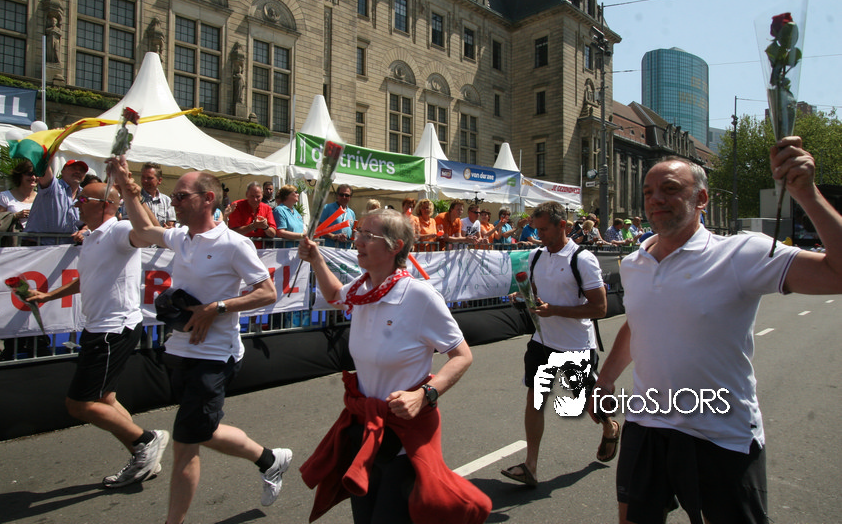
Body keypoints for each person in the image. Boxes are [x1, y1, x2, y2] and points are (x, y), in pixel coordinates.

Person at [591, 140, 842, 524]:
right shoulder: (634, 263)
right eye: (648, 192)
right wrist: (605, 380)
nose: (656, 199)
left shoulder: (742, 254)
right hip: (648, 422)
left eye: (670, 189)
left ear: (702, 199)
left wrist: (806, 194)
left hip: (721, 432)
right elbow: (639, 322)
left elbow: (836, 273)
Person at [107, 157, 292, 524]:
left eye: (181, 196)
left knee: (185, 444)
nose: (174, 201)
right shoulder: (181, 237)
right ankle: (270, 459)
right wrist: (127, 185)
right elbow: (143, 228)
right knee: (202, 431)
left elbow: (267, 292)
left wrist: (217, 308)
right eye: (173, 196)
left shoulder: (234, 244)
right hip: (180, 350)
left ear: (207, 199)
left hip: (215, 356)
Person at [298, 209, 491, 524]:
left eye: (368, 235)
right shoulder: (362, 289)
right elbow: (334, 294)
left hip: (404, 440)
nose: (357, 240)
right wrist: (316, 259)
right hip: (366, 431)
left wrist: (424, 395)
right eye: (359, 232)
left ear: (395, 246)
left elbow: (462, 355)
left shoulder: (419, 296)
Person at [27, 182, 169, 488]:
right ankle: (144, 456)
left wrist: (131, 192)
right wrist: (47, 295)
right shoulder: (91, 237)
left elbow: (147, 234)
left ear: (104, 204)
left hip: (113, 329)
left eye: (83, 199)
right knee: (105, 399)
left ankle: (147, 440)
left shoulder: (119, 229)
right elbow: (85, 279)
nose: (76, 203)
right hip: (99, 328)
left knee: (79, 404)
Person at [500, 201, 614, 487]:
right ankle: (531, 466)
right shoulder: (536, 256)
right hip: (542, 341)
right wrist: (524, 297)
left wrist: (555, 310)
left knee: (589, 404)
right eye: (536, 229)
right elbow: (536, 290)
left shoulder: (583, 259)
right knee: (534, 398)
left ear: (562, 225)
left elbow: (600, 308)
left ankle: (610, 426)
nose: (539, 235)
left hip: (576, 345)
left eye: (544, 230)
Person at [24, 159, 86, 244]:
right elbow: (44, 167)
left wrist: (84, 230)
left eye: (81, 170)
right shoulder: (52, 186)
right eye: (73, 168)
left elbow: (92, 219)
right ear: (63, 171)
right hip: (39, 245)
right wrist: (47, 156)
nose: (78, 172)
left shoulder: (85, 195)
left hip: (69, 247)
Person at [121, 162, 176, 228]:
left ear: (159, 180)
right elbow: (127, 224)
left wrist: (168, 228)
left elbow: (171, 226)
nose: (145, 180)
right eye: (143, 177)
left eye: (149, 178)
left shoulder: (166, 200)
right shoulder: (132, 198)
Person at [228, 181, 278, 248]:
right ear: (246, 194)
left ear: (262, 195)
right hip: (241, 248)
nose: (255, 199)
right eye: (252, 196)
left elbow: (273, 233)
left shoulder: (267, 208)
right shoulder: (236, 206)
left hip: (261, 250)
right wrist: (253, 226)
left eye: (258, 196)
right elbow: (233, 232)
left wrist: (265, 227)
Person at [0, 159, 37, 228]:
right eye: (29, 174)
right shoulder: (5, 196)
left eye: (36, 174)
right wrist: (15, 216)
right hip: (13, 234)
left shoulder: (41, 198)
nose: (33, 177)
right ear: (20, 176)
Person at [318, 184, 356, 248]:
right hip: (330, 249)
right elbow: (318, 229)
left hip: (346, 249)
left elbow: (352, 231)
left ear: (350, 197)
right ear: (337, 196)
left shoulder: (351, 213)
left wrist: (355, 234)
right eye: (341, 195)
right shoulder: (327, 208)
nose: (344, 197)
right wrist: (333, 236)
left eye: (347, 195)